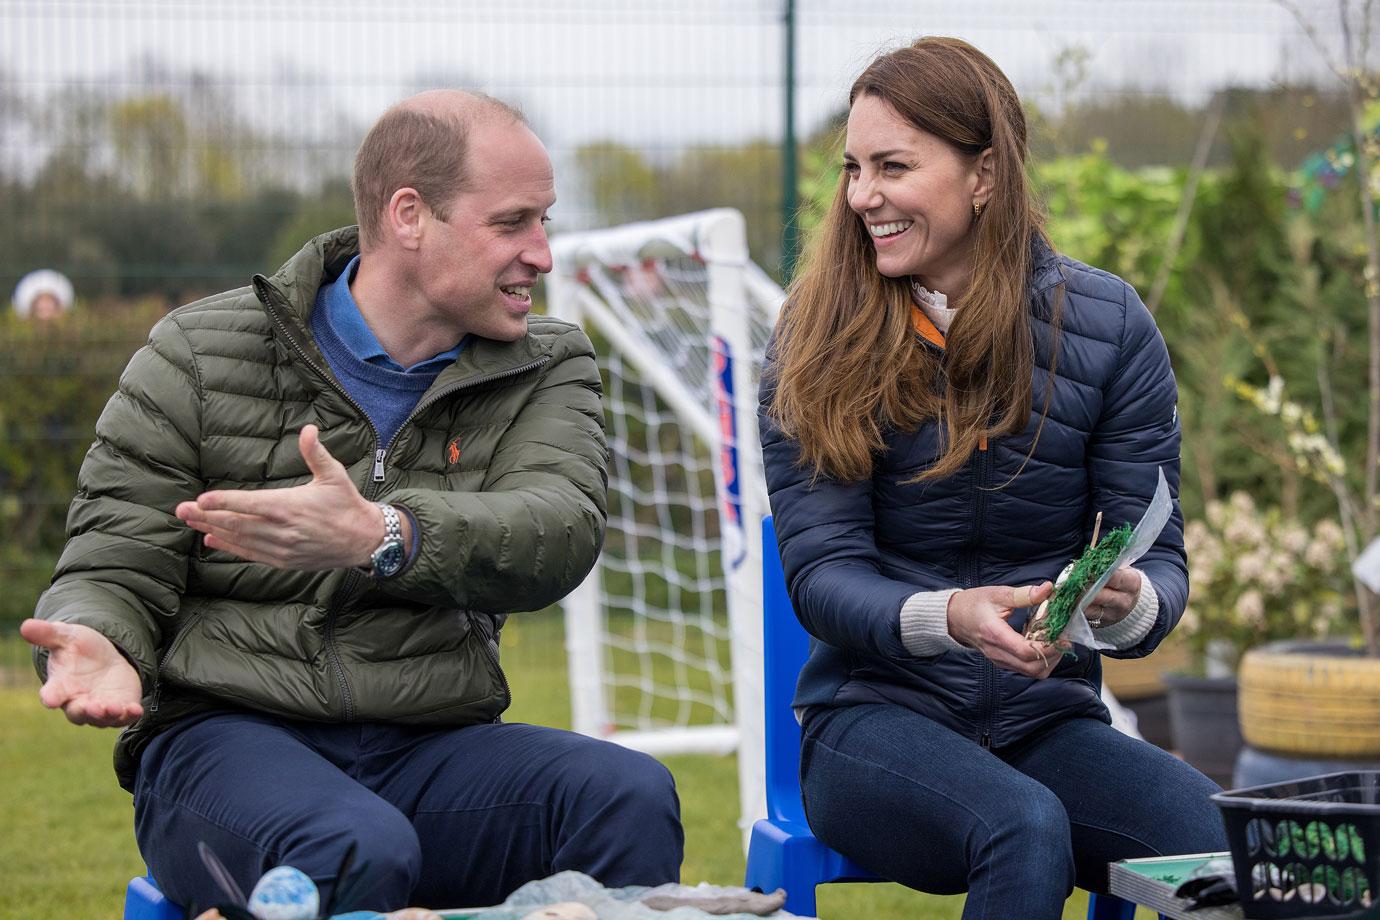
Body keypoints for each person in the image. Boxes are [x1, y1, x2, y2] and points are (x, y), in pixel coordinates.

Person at [20, 90, 683, 913]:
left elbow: (558, 530)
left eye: (545, 221)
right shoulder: (195, 352)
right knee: (355, 844)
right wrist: (93, 636)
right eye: (513, 223)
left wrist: (387, 533)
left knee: (628, 796)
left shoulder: (547, 363)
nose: (543, 254)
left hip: (435, 746)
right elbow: (111, 560)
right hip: (225, 744)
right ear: (410, 215)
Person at [759, 37, 1227, 919]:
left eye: (893, 166)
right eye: (854, 168)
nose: (862, 196)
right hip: (870, 723)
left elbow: (1160, 557)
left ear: (984, 176)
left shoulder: (1110, 323)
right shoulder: (813, 337)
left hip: (1045, 719)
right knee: (1023, 826)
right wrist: (952, 619)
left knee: (1218, 838)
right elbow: (821, 578)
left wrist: (1127, 603)